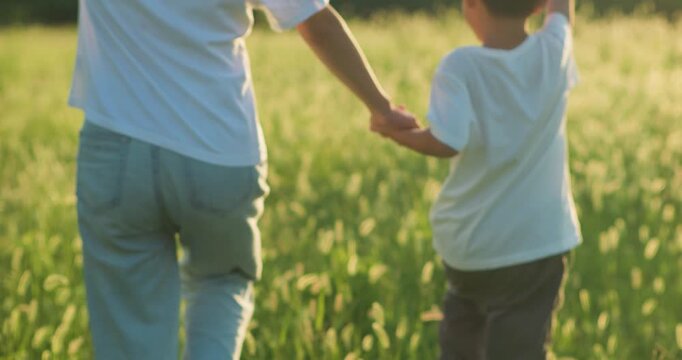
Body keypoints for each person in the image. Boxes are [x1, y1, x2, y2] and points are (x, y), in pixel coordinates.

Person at [69, 0, 416, 358]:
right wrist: (382, 109)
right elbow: (316, 23)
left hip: (116, 150)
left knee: (130, 326)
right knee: (220, 284)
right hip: (218, 149)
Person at [372, 0, 581, 358]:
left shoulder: (461, 66)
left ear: (471, 4)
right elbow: (562, 13)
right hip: (537, 245)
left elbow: (445, 141)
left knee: (462, 341)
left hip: (470, 245)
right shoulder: (553, 52)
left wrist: (395, 132)